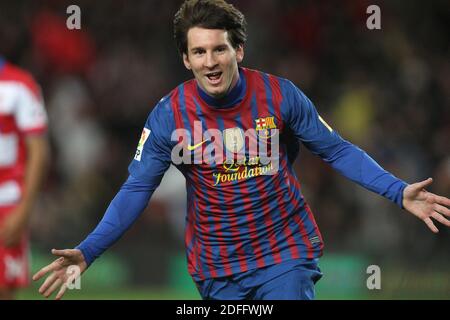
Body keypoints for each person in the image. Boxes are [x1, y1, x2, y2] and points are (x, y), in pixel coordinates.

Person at [33, 0, 450, 300]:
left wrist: (398, 191)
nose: (210, 61)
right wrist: (88, 250)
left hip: (284, 252)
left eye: (219, 49)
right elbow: (137, 189)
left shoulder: (281, 96)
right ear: (186, 58)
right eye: (199, 51)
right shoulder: (168, 116)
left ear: (239, 50)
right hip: (215, 268)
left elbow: (336, 151)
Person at [0, 56, 49, 300]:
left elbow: (38, 152)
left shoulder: (19, 85)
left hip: (7, 203)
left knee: (4, 290)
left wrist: (24, 209)